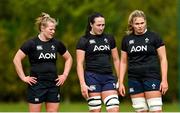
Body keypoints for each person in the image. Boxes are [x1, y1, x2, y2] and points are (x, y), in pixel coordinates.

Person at [13, 12, 73, 112]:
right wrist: (23, 77)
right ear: (42, 28)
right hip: (37, 85)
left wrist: (65, 75)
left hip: (53, 85)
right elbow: (16, 59)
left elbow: (69, 58)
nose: (53, 31)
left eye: (54, 29)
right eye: (51, 29)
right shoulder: (31, 43)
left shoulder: (56, 43)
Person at [118, 10, 168, 112]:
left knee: (156, 109)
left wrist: (164, 80)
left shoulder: (154, 37)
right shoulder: (126, 39)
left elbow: (163, 59)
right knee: (141, 110)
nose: (140, 26)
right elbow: (123, 62)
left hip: (152, 77)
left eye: (142, 23)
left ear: (145, 22)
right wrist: (120, 81)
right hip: (134, 79)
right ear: (132, 24)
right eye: (137, 24)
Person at [76, 12, 120, 112]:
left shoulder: (109, 38)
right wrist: (82, 84)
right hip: (92, 77)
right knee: (96, 110)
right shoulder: (84, 40)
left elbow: (116, 59)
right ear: (91, 24)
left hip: (108, 78)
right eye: (98, 25)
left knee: (114, 110)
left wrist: (120, 79)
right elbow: (79, 63)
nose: (101, 28)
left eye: (103, 25)